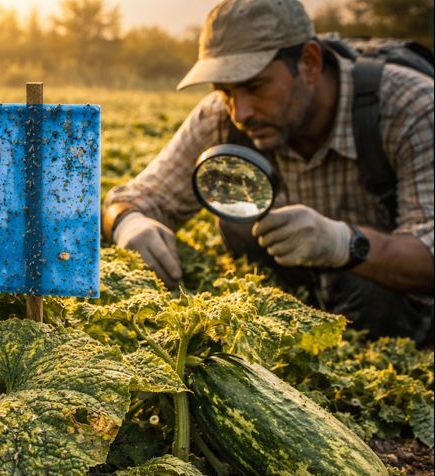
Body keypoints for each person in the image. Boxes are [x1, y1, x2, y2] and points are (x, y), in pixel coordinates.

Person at [102, 0, 434, 344]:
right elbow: (133, 199)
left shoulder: (409, 108)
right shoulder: (221, 116)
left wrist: (344, 243)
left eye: (255, 87)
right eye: (224, 91)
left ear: (309, 62)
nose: (239, 112)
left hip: (401, 331)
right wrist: (129, 221)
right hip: (288, 329)